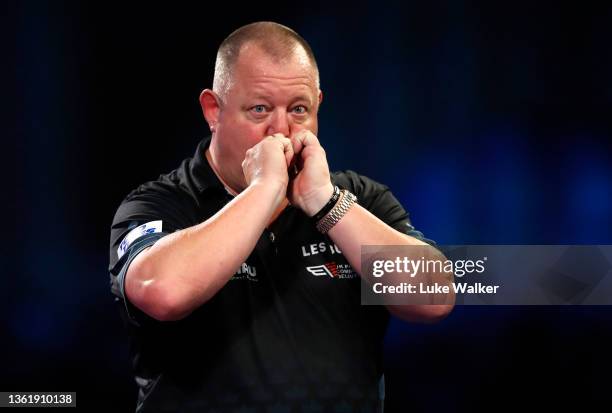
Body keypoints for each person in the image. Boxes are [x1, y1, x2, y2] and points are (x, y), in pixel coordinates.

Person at [109, 21, 453, 412]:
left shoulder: (359, 198)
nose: (281, 130)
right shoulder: (160, 203)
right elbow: (163, 293)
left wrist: (325, 203)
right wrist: (263, 190)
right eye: (259, 109)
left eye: (298, 110)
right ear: (213, 110)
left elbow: (434, 298)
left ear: (318, 105)